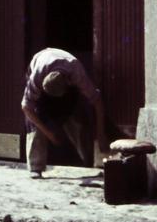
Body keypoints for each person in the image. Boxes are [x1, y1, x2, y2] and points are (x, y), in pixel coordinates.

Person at [19, 47, 104, 177]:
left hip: (67, 82)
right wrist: (49, 134)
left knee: (77, 119)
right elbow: (26, 107)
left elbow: (97, 101)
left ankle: (89, 161)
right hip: (42, 64)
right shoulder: (37, 76)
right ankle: (36, 167)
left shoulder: (76, 73)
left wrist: (100, 133)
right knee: (34, 120)